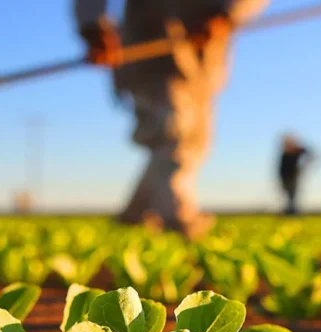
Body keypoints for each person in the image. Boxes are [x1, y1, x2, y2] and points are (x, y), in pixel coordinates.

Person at [74, 0, 269, 238]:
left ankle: (134, 216)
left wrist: (227, 14)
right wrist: (92, 26)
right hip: (151, 50)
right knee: (175, 136)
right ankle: (177, 217)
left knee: (194, 144)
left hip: (202, 59)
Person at [278, 134, 315, 215]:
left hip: (294, 177)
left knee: (293, 195)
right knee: (289, 195)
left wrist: (304, 165)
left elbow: (308, 153)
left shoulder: (297, 151)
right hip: (286, 178)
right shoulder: (285, 154)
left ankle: (292, 211)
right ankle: (289, 210)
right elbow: (281, 169)